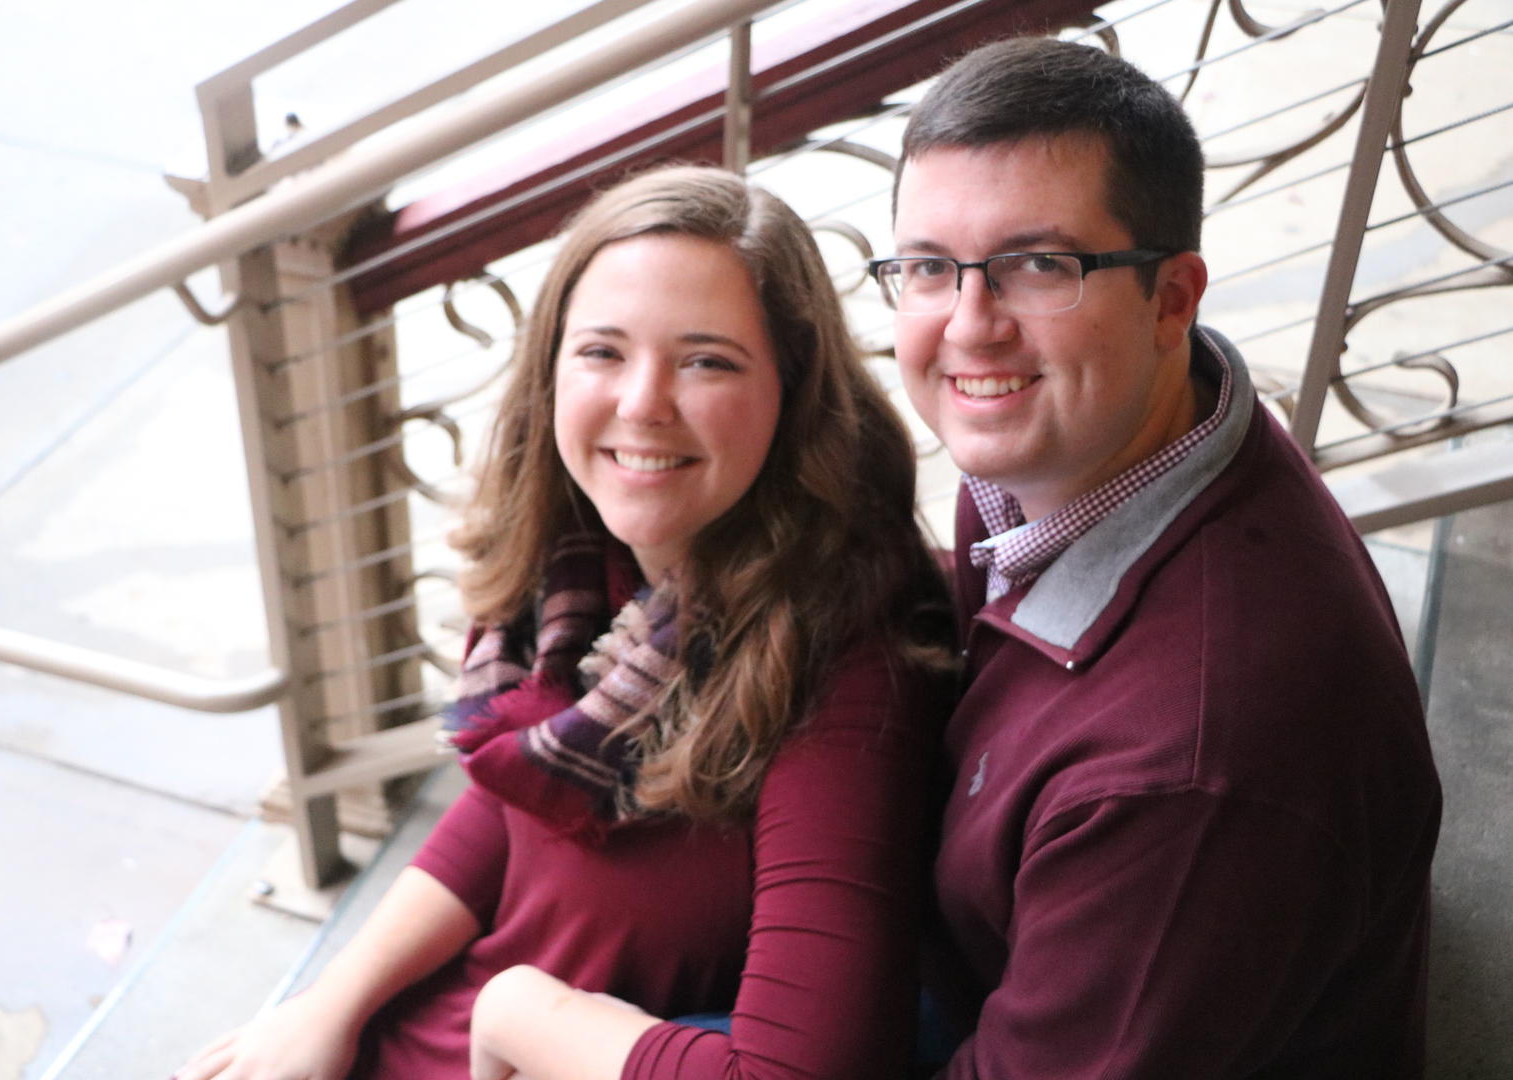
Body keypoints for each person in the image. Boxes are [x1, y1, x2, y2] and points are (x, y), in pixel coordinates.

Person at [175, 164, 952, 1080]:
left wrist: (520, 1013)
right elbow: (511, 804)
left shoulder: (846, 670)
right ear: (551, 366)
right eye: (603, 352)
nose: (641, 403)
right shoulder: (582, 564)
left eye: (707, 359)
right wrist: (328, 1004)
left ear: (794, 393)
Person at [872, 35, 1442, 1078]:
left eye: (1039, 265)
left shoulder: (1195, 772)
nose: (969, 328)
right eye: (927, 268)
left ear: (1173, 299)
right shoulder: (1092, 446)